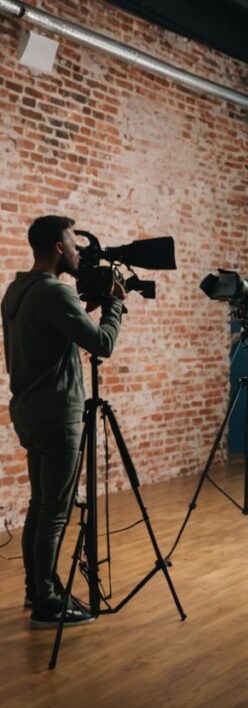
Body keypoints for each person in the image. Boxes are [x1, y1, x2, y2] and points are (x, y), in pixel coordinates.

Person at [2, 215, 123, 629]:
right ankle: (49, 603)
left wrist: (85, 307)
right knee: (55, 510)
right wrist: (115, 305)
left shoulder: (18, 289)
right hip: (58, 415)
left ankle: (37, 588)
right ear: (57, 247)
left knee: (41, 504)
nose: (78, 253)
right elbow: (102, 343)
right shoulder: (54, 293)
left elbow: (53, 330)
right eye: (73, 244)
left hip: (29, 411)